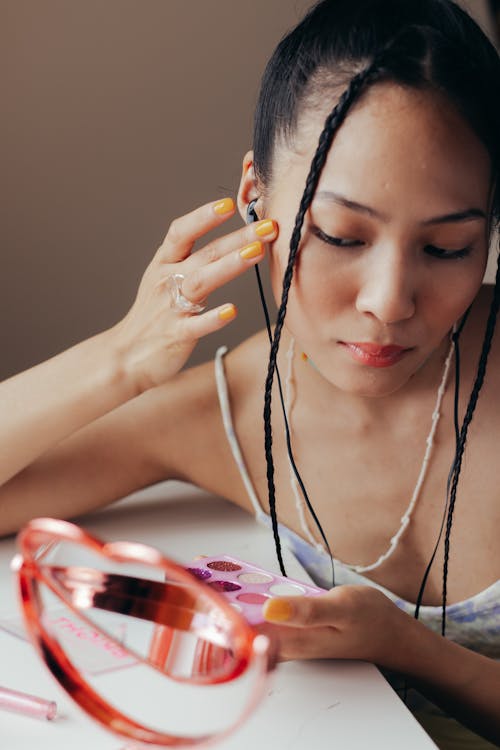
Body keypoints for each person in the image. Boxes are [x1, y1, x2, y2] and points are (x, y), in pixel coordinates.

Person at [0, 0, 499, 746]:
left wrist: (406, 649)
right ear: (254, 196)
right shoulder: (223, 417)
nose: (388, 303)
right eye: (338, 234)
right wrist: (120, 359)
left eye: (449, 248)